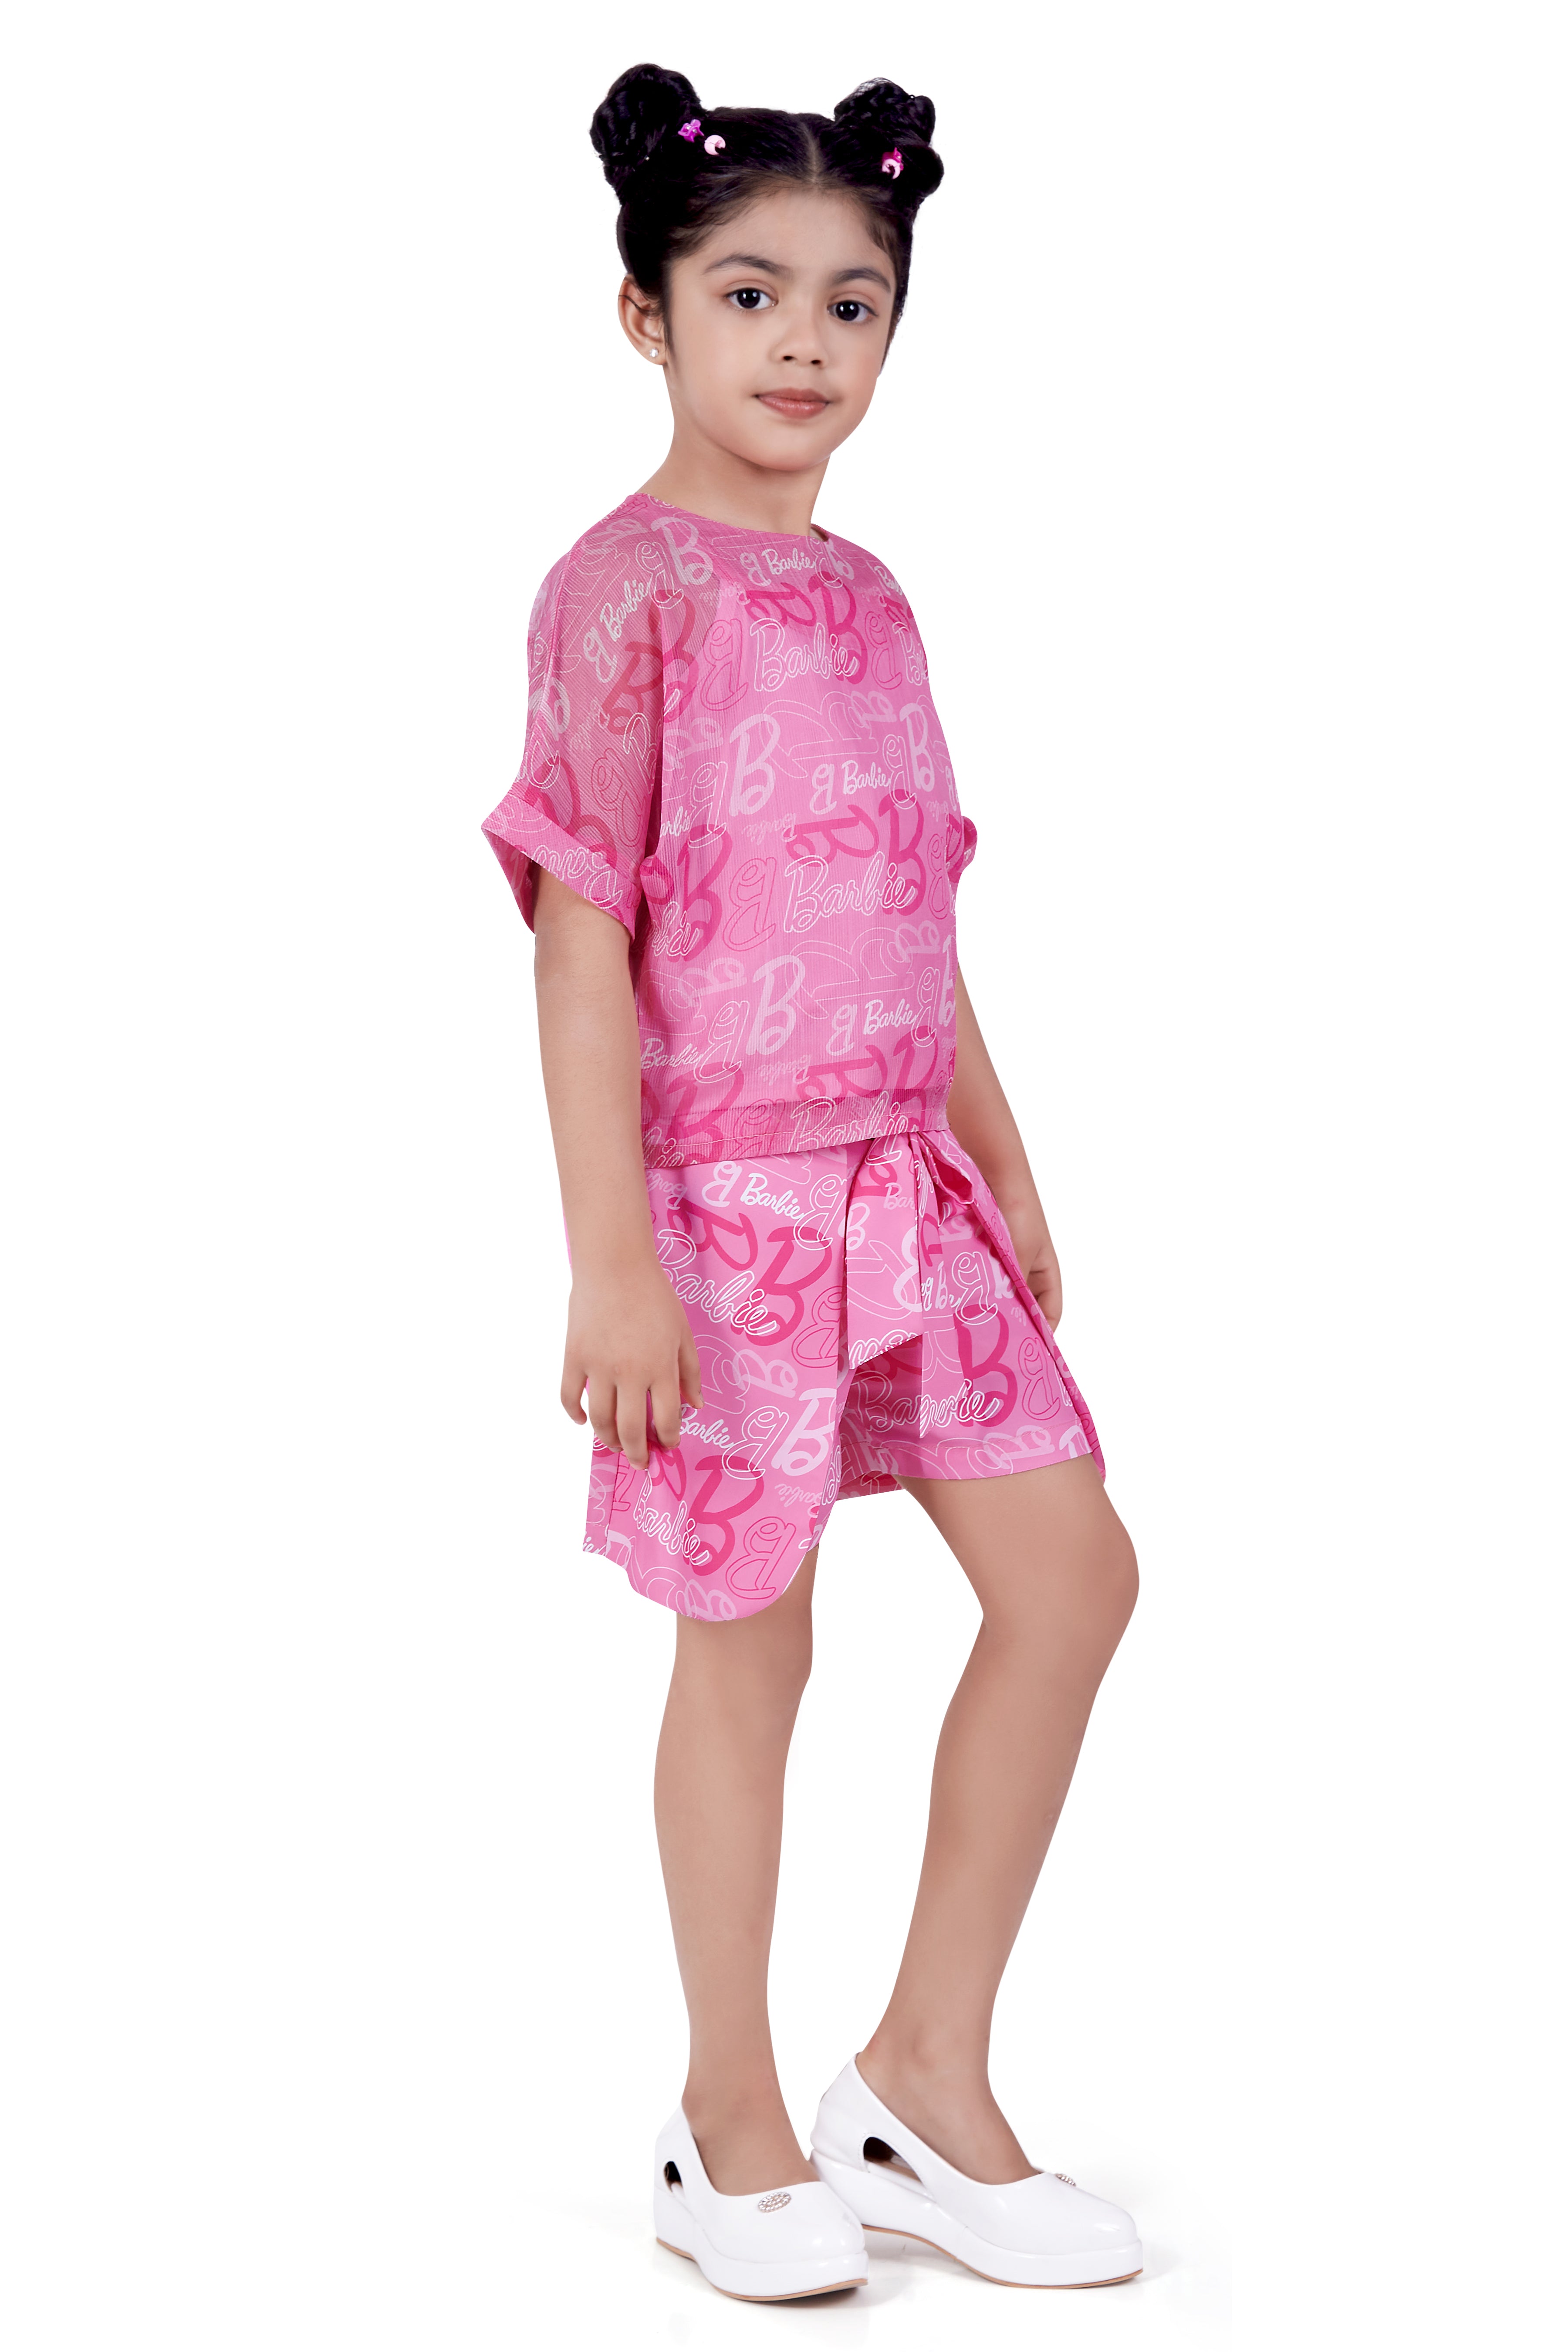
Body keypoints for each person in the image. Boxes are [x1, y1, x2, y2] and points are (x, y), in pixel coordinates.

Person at [482, 62, 1142, 2303]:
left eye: (851, 303)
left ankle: (925, 2077)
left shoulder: (874, 603)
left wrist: (1001, 1151)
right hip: (725, 1215)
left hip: (907, 1190)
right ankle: (731, 2116)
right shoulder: (625, 592)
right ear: (648, 314)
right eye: (749, 292)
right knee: (753, 1645)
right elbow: (585, 936)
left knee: (1074, 1579)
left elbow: (910, 907)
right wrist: (612, 1260)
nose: (802, 340)